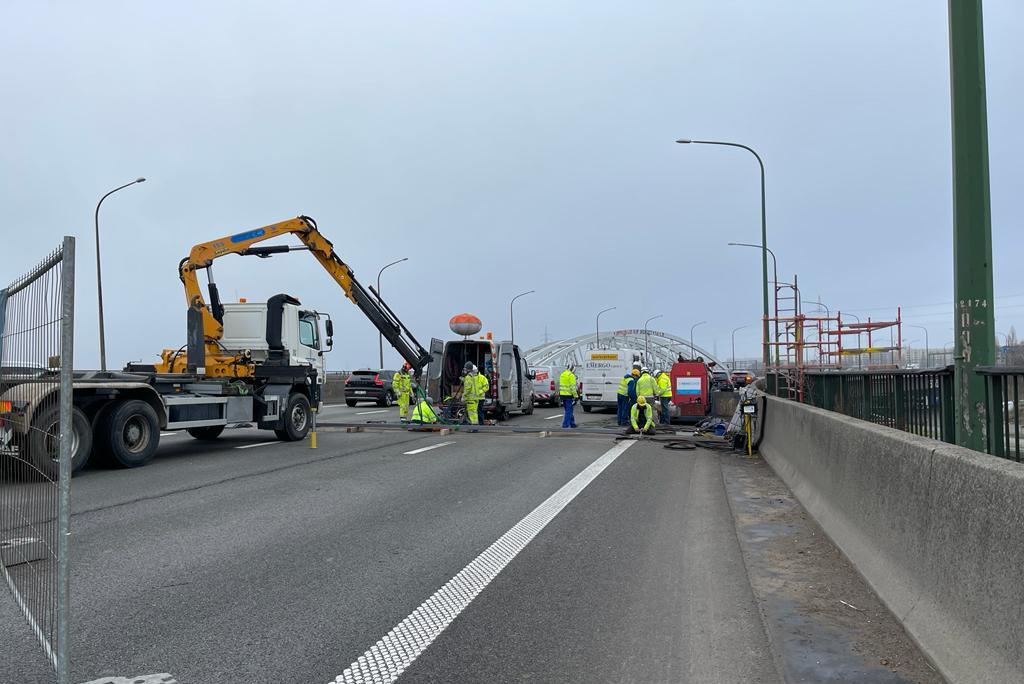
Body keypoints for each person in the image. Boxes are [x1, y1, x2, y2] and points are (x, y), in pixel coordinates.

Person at [463, 362, 483, 431]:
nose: (464, 370)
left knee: (472, 413)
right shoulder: (475, 377)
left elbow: (467, 389)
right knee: (474, 413)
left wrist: (464, 397)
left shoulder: (468, 377)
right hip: (476, 398)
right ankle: (475, 427)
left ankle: (474, 428)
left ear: (468, 369)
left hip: (471, 399)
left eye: (465, 369)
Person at [559, 363, 579, 428]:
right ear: (573, 369)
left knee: (568, 410)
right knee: (569, 411)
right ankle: (565, 425)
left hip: (562, 395)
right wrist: (576, 396)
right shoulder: (571, 375)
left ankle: (572, 424)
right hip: (568, 396)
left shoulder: (562, 374)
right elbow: (573, 388)